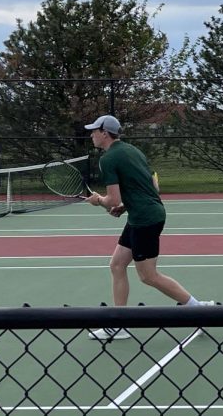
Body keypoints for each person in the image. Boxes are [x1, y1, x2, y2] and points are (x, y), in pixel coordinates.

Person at [84, 114, 212, 340]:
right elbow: (149, 184)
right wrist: (124, 206)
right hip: (141, 215)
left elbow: (111, 200)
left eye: (95, 130)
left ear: (105, 132)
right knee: (116, 265)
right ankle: (119, 323)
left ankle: (198, 310)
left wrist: (99, 201)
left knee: (148, 276)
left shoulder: (109, 159)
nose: (91, 134)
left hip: (146, 219)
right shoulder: (132, 151)